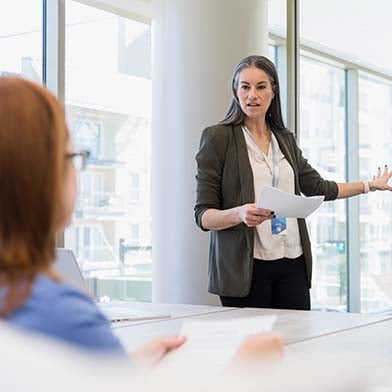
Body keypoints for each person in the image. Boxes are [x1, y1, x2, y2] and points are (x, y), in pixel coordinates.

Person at [0, 76, 282, 367]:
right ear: (36, 172)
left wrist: (131, 364)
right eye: (72, 156)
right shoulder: (57, 313)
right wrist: (242, 370)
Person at [194, 55, 392, 311]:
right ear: (236, 90)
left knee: (296, 346)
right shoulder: (218, 138)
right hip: (246, 268)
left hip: (292, 261)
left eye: (260, 87)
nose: (252, 95)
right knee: (255, 349)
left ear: (273, 91)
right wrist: (240, 213)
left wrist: (368, 185)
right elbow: (203, 215)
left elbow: (319, 188)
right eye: (245, 87)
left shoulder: (284, 139)